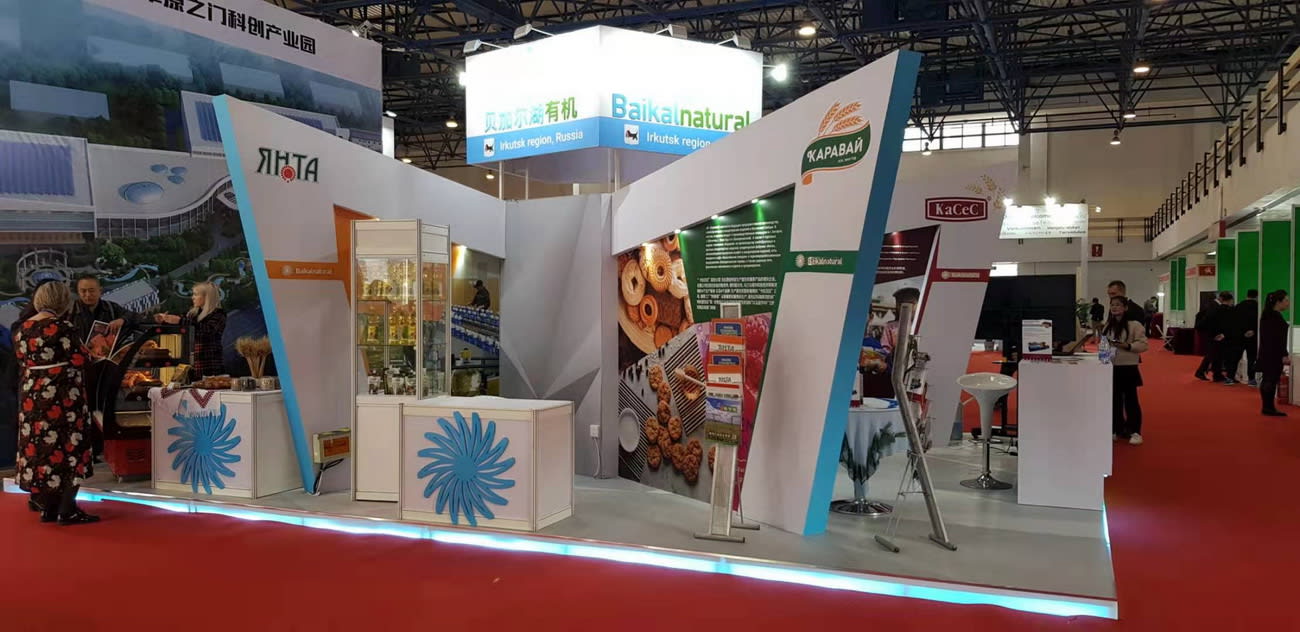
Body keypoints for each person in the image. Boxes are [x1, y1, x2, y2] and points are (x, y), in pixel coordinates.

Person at [13, 282, 99, 525]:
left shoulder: (23, 328)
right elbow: (80, 358)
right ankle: (67, 509)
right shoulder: (63, 327)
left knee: (41, 448)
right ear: (62, 300)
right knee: (70, 447)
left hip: (32, 395)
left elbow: (21, 359)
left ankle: (48, 507)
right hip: (62, 395)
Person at [155, 281, 227, 378]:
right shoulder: (192, 314)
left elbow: (207, 331)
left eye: (196, 294)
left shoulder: (218, 315)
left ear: (207, 297)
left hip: (210, 366)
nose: (192, 297)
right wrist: (165, 320)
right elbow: (181, 327)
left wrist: (179, 321)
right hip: (192, 366)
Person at [1104, 295, 1149, 445]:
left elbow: (1143, 345)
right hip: (1112, 367)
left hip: (1128, 367)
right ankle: (1116, 429)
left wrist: (1128, 346)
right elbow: (1104, 344)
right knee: (1115, 400)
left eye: (1118, 305)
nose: (1115, 307)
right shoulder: (1108, 325)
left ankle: (1135, 431)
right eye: (1112, 305)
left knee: (1131, 400)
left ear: (1125, 308)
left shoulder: (1134, 325)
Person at [1257, 290, 1290, 417]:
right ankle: (1268, 407)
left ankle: (1267, 406)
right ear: (1278, 302)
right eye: (1286, 300)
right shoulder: (1275, 317)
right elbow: (1278, 339)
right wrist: (1284, 354)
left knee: (1267, 379)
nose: (1288, 303)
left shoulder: (1267, 315)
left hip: (1267, 352)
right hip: (1274, 354)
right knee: (1271, 379)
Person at [1194, 292, 1234, 382]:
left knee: (1215, 354)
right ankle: (1203, 372)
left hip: (1212, 333)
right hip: (1215, 334)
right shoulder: (1217, 307)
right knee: (1213, 354)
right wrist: (1217, 334)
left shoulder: (1213, 306)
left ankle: (1215, 374)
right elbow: (1214, 321)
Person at [1229, 289, 1260, 387]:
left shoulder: (1238, 306)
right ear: (1257, 296)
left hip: (1239, 337)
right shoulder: (1258, 307)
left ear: (1247, 295)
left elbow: (1233, 322)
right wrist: (1253, 330)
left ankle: (1230, 377)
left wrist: (1242, 332)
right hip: (1253, 337)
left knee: (1235, 358)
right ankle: (1251, 379)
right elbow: (1259, 321)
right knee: (1251, 358)